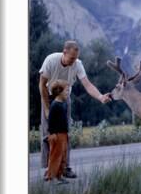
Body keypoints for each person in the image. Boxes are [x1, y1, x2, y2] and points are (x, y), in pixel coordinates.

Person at [39, 40, 111, 178]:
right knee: (48, 135)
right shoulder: (51, 60)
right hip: (48, 96)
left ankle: (65, 167)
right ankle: (49, 169)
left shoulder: (78, 64)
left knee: (65, 134)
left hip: (65, 99)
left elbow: (87, 85)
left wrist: (101, 97)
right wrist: (47, 108)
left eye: (76, 58)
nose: (74, 61)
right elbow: (41, 85)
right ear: (64, 52)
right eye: (72, 58)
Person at [45, 79, 70, 185]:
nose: (68, 93)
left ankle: (59, 175)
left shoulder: (63, 104)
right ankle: (51, 177)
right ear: (59, 91)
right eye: (66, 91)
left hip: (63, 134)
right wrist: (52, 133)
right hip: (56, 135)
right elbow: (51, 121)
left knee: (62, 156)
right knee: (55, 156)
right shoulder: (55, 105)